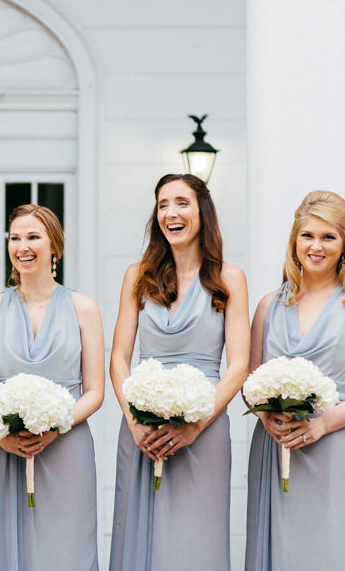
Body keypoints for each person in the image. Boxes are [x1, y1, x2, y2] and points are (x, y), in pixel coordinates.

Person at [108, 174, 249, 571]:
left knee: (195, 541)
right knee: (139, 536)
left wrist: (195, 425)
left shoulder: (229, 278)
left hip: (203, 429)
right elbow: (119, 359)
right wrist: (135, 423)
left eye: (182, 202)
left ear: (202, 212)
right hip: (142, 428)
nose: (171, 212)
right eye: (163, 204)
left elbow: (238, 366)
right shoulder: (137, 276)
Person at [0, 204, 103, 571]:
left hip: (67, 444)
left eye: (33, 237)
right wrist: (0, 434)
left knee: (66, 547)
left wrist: (56, 425)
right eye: (15, 238)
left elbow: (95, 391)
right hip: (1, 447)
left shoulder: (84, 307)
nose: (22, 246)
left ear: (54, 246)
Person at [244, 190, 345, 570]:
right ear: (294, 241)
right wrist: (265, 415)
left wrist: (321, 424)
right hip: (276, 448)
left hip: (335, 450)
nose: (315, 246)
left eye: (328, 237)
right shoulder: (270, 305)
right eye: (307, 236)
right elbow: (250, 382)